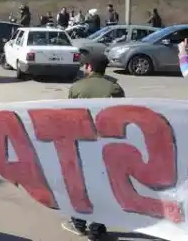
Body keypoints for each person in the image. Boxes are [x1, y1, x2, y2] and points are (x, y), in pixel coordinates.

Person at [64, 53, 124, 239]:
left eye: (85, 65)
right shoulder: (115, 88)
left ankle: (79, 223)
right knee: (103, 186)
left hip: (83, 144)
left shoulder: (77, 87)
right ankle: (98, 227)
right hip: (107, 144)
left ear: (89, 67)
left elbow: (69, 116)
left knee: (81, 184)